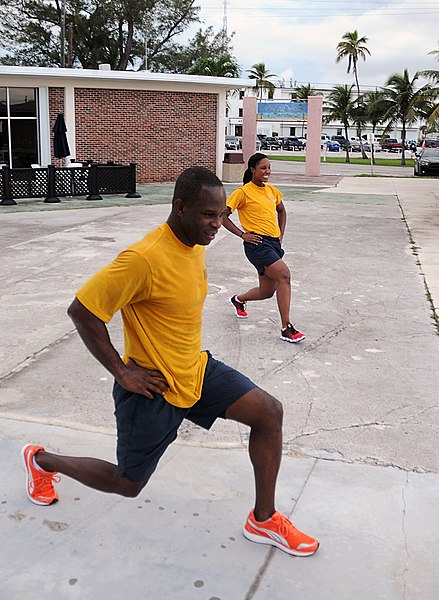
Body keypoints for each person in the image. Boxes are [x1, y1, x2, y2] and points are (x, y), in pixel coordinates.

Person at [21, 166, 318, 557]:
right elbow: (83, 311)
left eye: (221, 214)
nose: (217, 224)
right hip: (153, 390)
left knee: (268, 412)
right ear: (179, 208)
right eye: (208, 215)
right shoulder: (144, 258)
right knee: (127, 484)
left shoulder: (193, 245)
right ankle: (42, 461)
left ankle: (263, 519)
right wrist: (122, 371)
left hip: (195, 371)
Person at [222, 153, 305, 343]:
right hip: (257, 245)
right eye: (263, 168)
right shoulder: (242, 192)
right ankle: (287, 328)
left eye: (269, 168)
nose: (267, 171)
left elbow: (281, 210)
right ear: (252, 170)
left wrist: (280, 234)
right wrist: (242, 234)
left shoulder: (272, 191)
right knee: (284, 275)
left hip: (273, 244)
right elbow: (222, 216)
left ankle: (238, 300)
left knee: (267, 292)